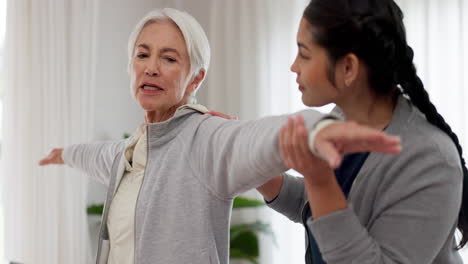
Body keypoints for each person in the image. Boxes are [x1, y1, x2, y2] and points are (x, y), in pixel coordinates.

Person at [38, 7, 401, 264]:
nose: (151, 66)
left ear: (195, 78)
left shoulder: (207, 138)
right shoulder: (127, 154)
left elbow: (257, 137)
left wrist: (317, 129)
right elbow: (94, 153)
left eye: (169, 58)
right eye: (142, 54)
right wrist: (62, 153)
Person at [256, 0, 468, 263]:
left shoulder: (430, 159)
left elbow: (328, 199)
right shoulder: (340, 120)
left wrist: (320, 181)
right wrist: (260, 175)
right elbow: (319, 208)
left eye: (305, 54)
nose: (294, 67)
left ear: (348, 68)